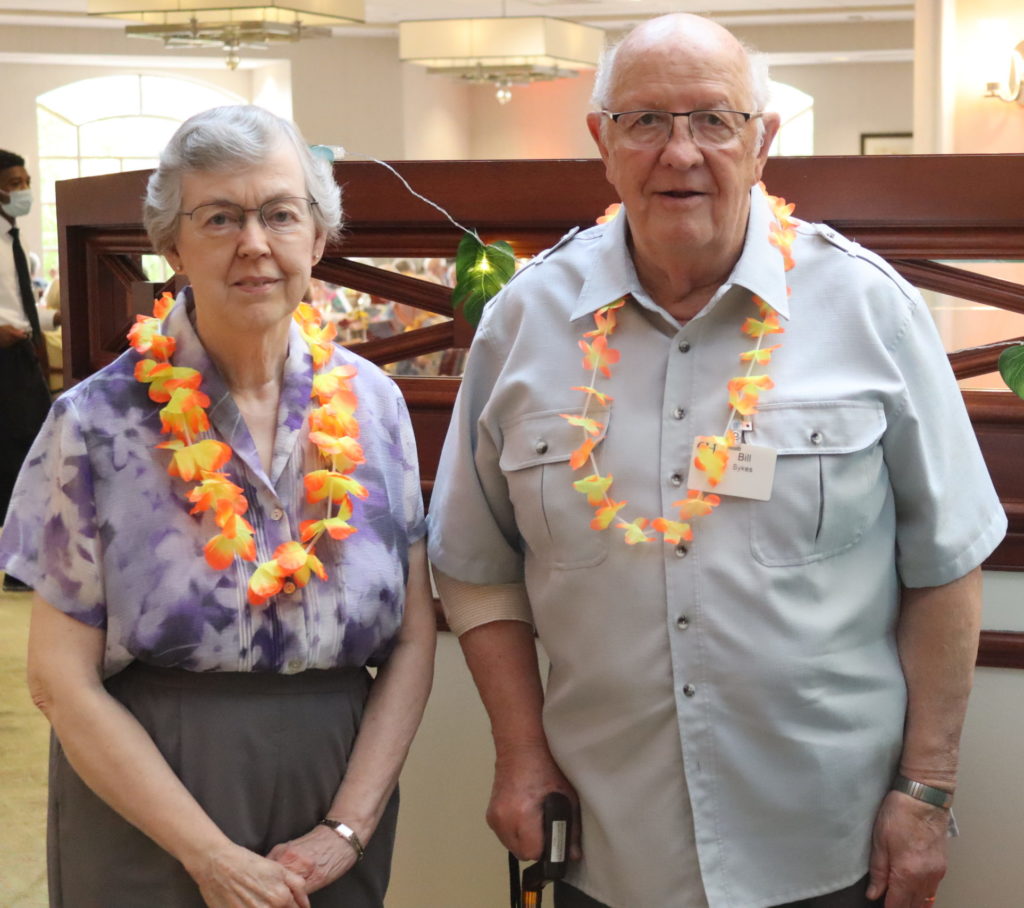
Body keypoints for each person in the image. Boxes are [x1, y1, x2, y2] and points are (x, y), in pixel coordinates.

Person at [427, 14, 1007, 908]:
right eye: (646, 121)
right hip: (603, 842)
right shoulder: (523, 323)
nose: (681, 152)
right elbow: (475, 568)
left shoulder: (869, 309)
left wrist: (926, 790)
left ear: (763, 139)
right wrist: (519, 752)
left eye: (713, 120)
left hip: (828, 840)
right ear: (602, 143)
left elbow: (947, 560)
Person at [0, 105, 435, 907]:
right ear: (172, 246)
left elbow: (412, 639)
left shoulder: (376, 407)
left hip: (333, 789)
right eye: (220, 218)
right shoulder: (96, 423)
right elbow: (60, 682)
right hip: (151, 799)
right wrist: (211, 857)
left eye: (280, 214)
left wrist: (347, 828)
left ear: (317, 234)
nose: (255, 245)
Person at [0, 148, 51, 592]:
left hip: (21, 352)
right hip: (3, 353)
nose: (24, 190)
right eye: (15, 183)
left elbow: (20, 302)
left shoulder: (13, 237)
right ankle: (19, 564)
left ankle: (23, 562)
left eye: (25, 181)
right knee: (20, 454)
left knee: (30, 450)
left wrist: (48, 322)